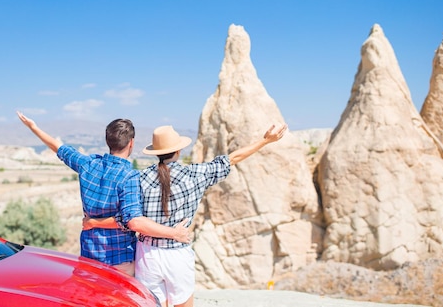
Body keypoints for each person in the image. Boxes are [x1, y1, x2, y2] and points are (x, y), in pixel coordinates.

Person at [84, 122, 288, 307]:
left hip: (146, 255)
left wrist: (93, 222)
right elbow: (232, 159)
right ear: (178, 150)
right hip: (177, 255)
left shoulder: (140, 178)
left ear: (156, 152)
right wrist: (265, 141)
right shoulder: (194, 175)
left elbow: (127, 220)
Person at [16, 111, 190, 276]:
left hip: (89, 255)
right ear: (131, 143)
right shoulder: (129, 176)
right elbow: (130, 221)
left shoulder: (88, 164)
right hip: (120, 259)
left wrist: (34, 127)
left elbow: (60, 149)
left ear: (108, 141)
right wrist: (175, 233)